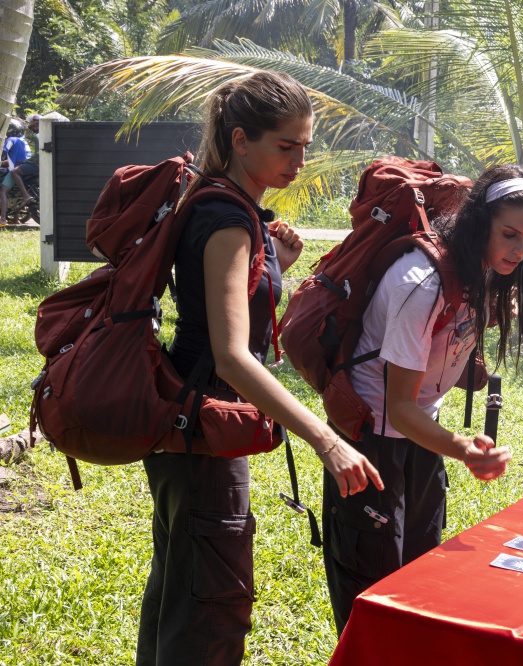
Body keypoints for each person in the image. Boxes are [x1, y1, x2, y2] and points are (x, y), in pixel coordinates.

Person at [136, 71, 383, 666]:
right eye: (286, 145)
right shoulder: (226, 217)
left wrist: (276, 264)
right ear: (241, 139)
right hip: (204, 430)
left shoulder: (224, 205)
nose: (299, 160)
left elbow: (222, 313)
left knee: (179, 597)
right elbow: (232, 355)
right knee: (210, 613)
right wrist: (327, 440)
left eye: (306, 145)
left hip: (190, 427)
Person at [322, 164, 523, 633]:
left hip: (419, 441)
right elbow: (401, 406)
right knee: (371, 595)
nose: (520, 249)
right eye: (510, 233)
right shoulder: (422, 282)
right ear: (479, 222)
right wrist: (464, 449)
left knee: (421, 579)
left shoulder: (482, 271)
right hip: (372, 443)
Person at [0, 118, 31, 226]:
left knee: (3, 191)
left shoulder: (10, 140)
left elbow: (3, 154)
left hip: (15, 170)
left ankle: (2, 219)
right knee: (13, 190)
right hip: (25, 169)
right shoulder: (24, 141)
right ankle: (16, 218)